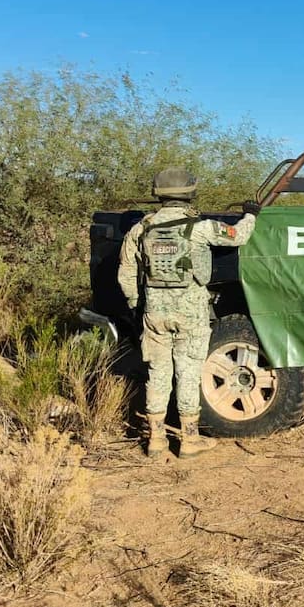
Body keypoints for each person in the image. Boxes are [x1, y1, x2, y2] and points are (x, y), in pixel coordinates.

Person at [118, 168, 261, 459]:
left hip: (154, 312)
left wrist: (136, 304)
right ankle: (189, 439)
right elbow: (238, 236)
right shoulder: (201, 228)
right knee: (188, 372)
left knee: (157, 373)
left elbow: (126, 273)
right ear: (190, 193)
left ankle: (156, 439)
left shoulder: (141, 229)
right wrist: (250, 215)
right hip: (191, 314)